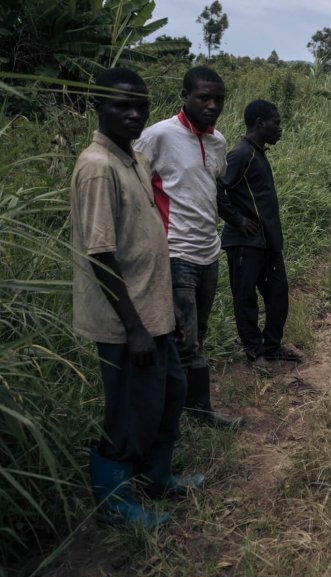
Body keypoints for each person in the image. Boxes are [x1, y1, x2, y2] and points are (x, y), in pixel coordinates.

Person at [71, 68, 204, 527]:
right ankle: (115, 504)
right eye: (120, 105)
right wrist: (133, 329)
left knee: (170, 394)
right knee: (129, 409)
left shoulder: (134, 159)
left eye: (140, 106)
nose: (133, 114)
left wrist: (168, 308)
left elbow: (147, 243)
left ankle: (157, 476)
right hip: (125, 322)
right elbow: (101, 255)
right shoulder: (97, 166)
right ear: (98, 106)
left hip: (155, 310)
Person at [134, 66, 243, 429]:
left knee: (199, 336)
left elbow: (212, 188)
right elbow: (132, 184)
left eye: (218, 99)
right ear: (185, 97)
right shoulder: (159, 136)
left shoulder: (218, 142)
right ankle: (173, 423)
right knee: (183, 340)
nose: (212, 105)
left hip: (208, 253)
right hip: (175, 253)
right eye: (204, 98)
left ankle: (194, 411)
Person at [217, 100, 302, 371]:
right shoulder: (241, 154)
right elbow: (217, 190)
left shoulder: (258, 154)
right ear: (259, 123)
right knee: (246, 299)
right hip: (245, 243)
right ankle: (254, 353)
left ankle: (272, 346)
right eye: (276, 123)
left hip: (267, 241)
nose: (280, 129)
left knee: (278, 293)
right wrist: (239, 220)